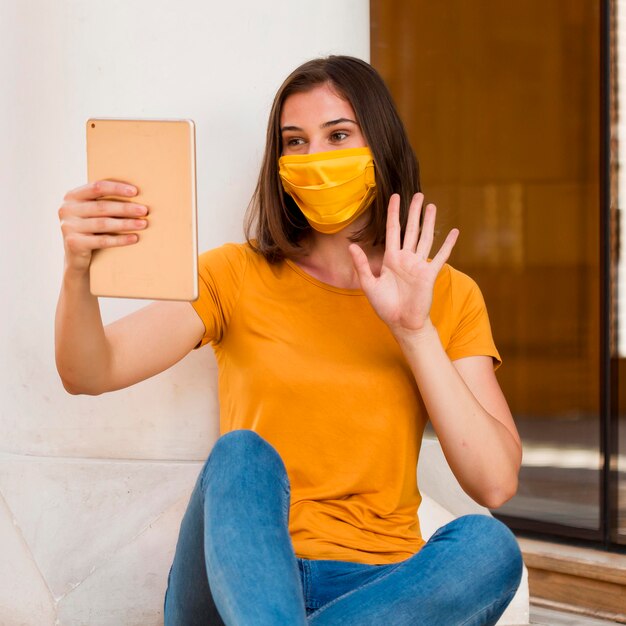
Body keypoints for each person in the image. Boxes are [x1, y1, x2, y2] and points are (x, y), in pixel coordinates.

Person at [55, 55, 523, 625]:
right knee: (241, 452)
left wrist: (413, 331)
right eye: (294, 142)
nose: (314, 158)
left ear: (381, 145)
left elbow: (495, 482)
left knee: (490, 547)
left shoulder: (446, 295)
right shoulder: (232, 275)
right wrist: (79, 268)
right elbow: (90, 372)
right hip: (238, 580)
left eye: (339, 135)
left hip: (378, 589)